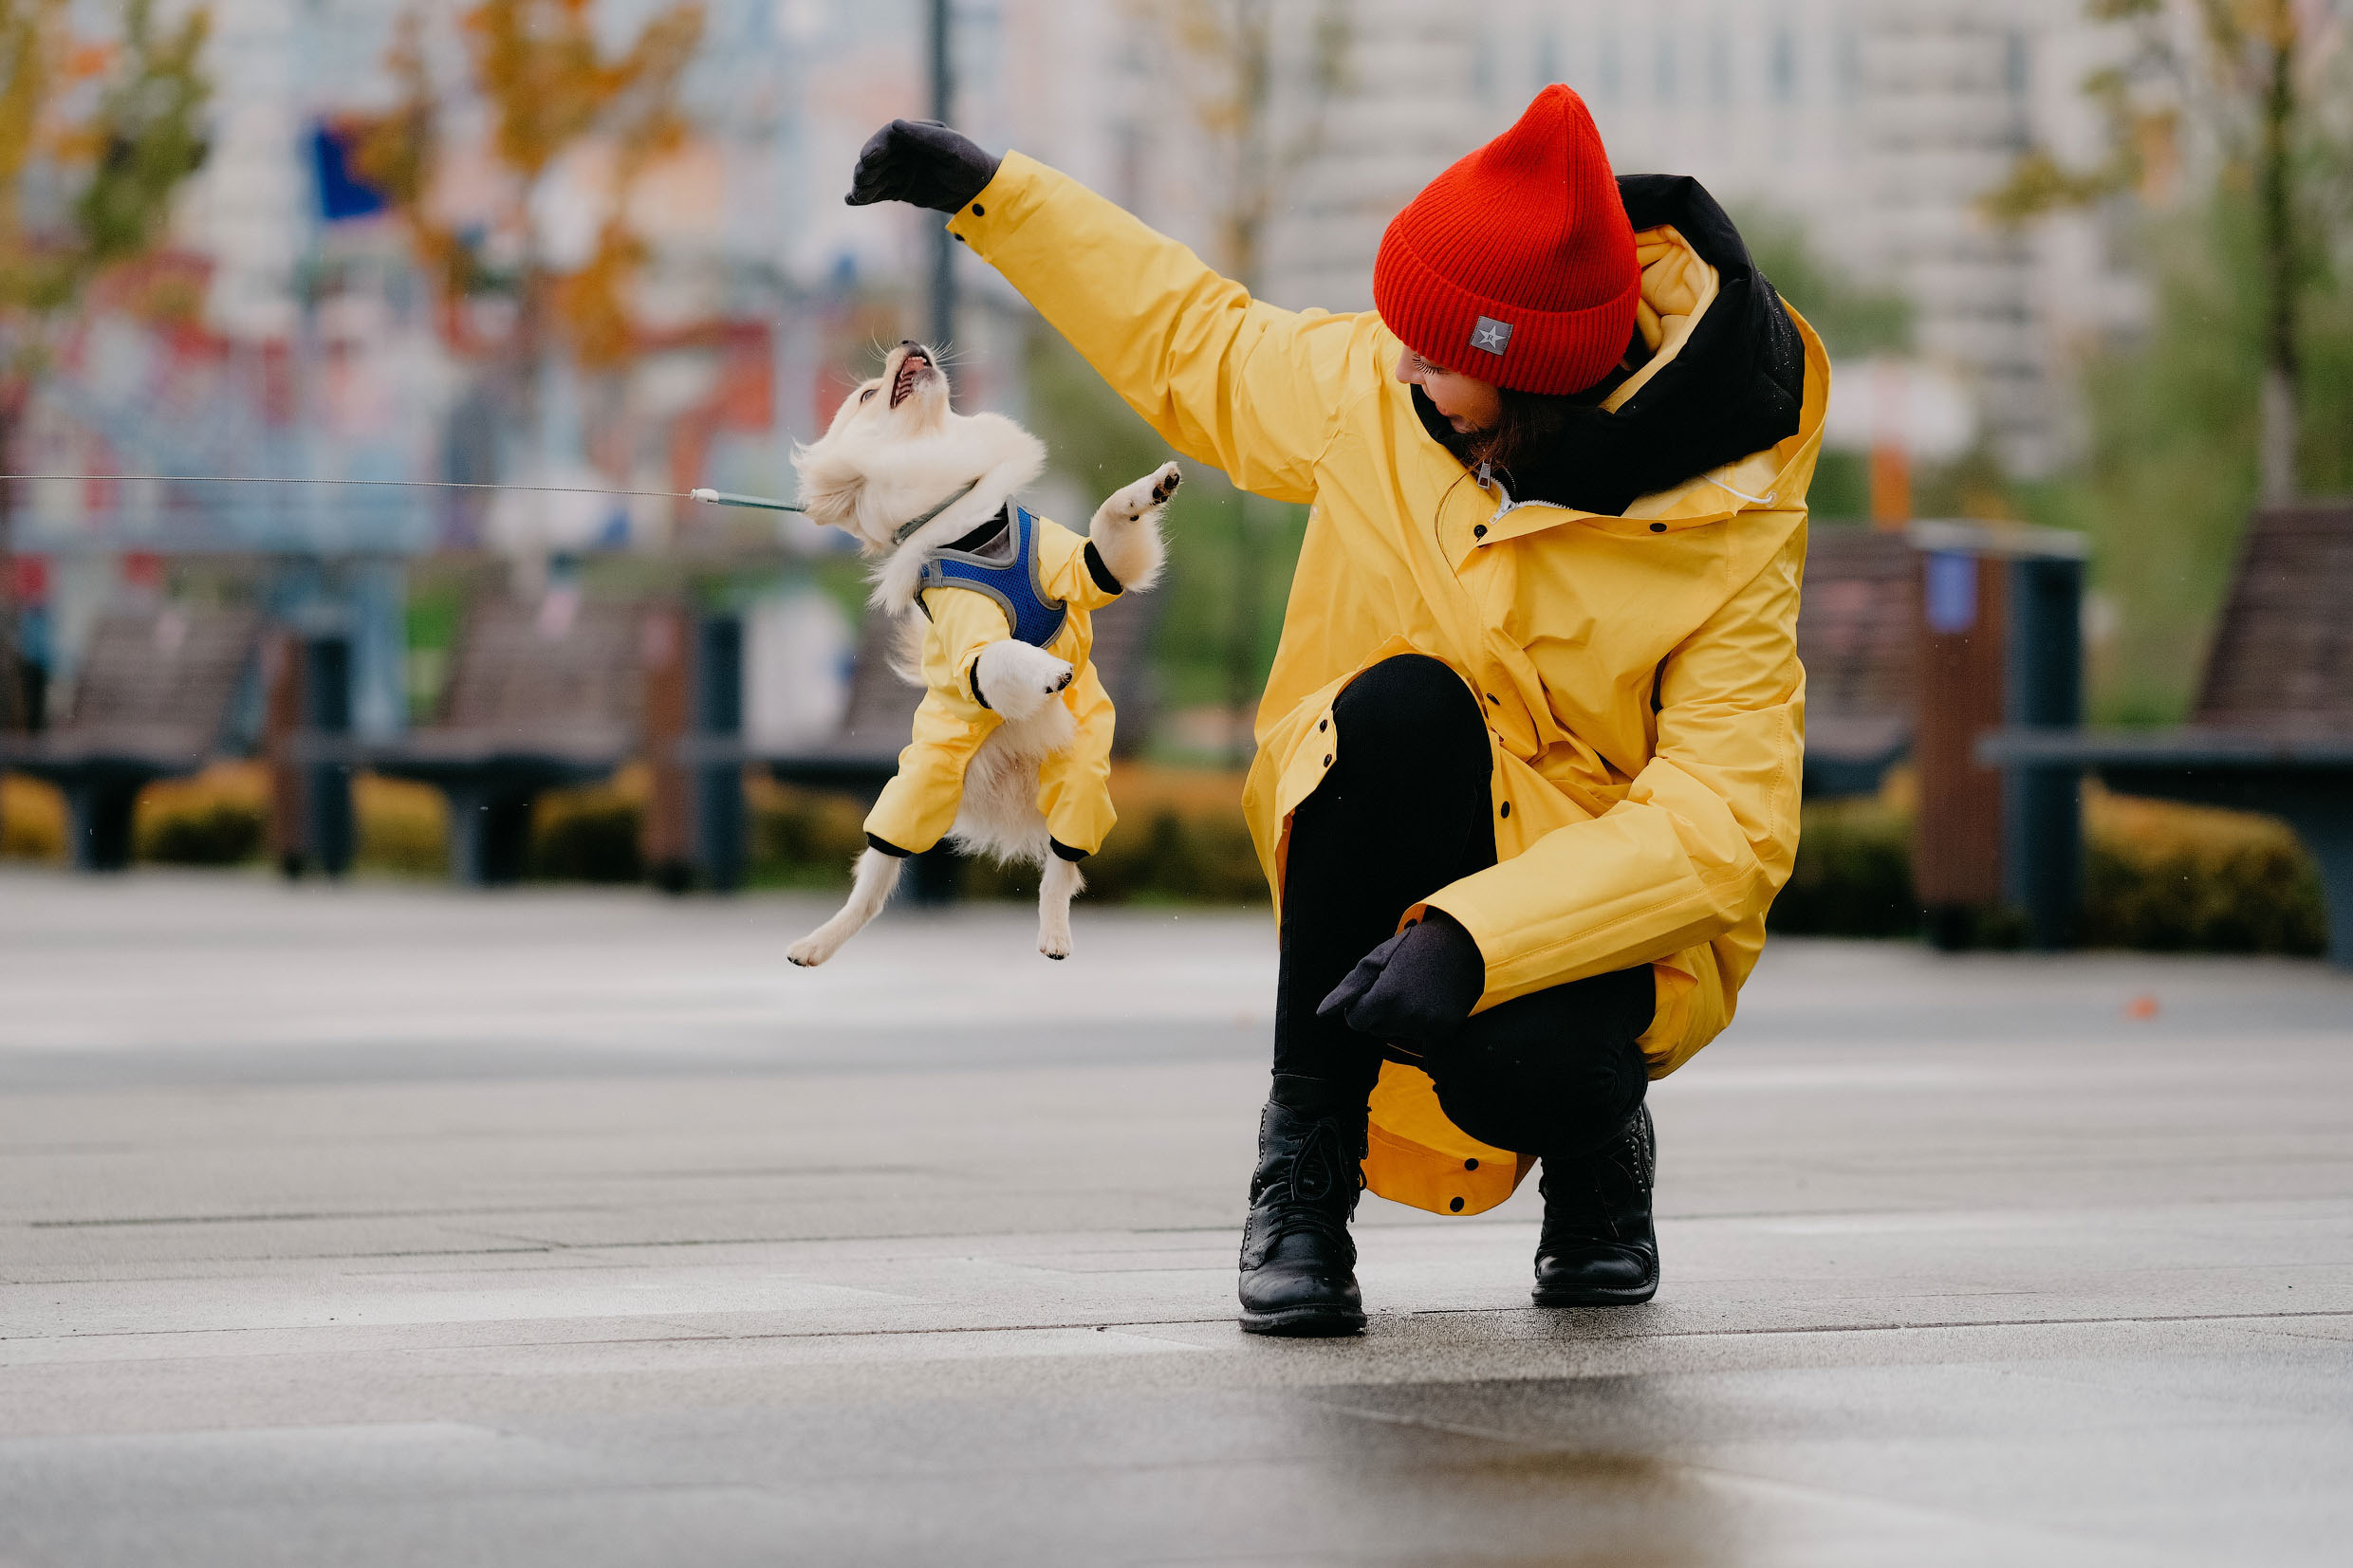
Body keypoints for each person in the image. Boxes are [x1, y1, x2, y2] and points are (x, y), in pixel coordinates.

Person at [846, 85, 1825, 1337]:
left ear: (1532, 376)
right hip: (1374, 809)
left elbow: (1724, 826)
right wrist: (994, 192)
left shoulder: (1729, 519)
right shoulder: (1377, 388)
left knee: (1539, 1067)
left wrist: (1478, 935)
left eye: (1438, 346)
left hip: (1606, 917)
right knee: (1401, 706)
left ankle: (1597, 1147)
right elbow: (1189, 337)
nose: (1400, 356)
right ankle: (1301, 1171)